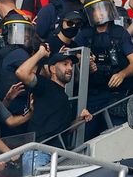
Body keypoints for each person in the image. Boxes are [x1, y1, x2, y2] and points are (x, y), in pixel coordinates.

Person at [16, 47, 92, 175]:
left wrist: (81, 119)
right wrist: (41, 53)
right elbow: (21, 72)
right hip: (38, 152)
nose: (70, 68)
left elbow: (64, 129)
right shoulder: (45, 85)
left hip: (57, 155)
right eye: (64, 64)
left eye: (71, 65)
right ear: (52, 69)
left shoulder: (64, 97)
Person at [76, 0, 133, 140]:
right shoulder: (84, 36)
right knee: (85, 136)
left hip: (116, 94)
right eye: (96, 10)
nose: (100, 13)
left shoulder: (120, 33)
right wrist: (85, 65)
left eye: (103, 8)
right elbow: (73, 60)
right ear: (90, 13)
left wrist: (122, 74)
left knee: (119, 136)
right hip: (93, 95)